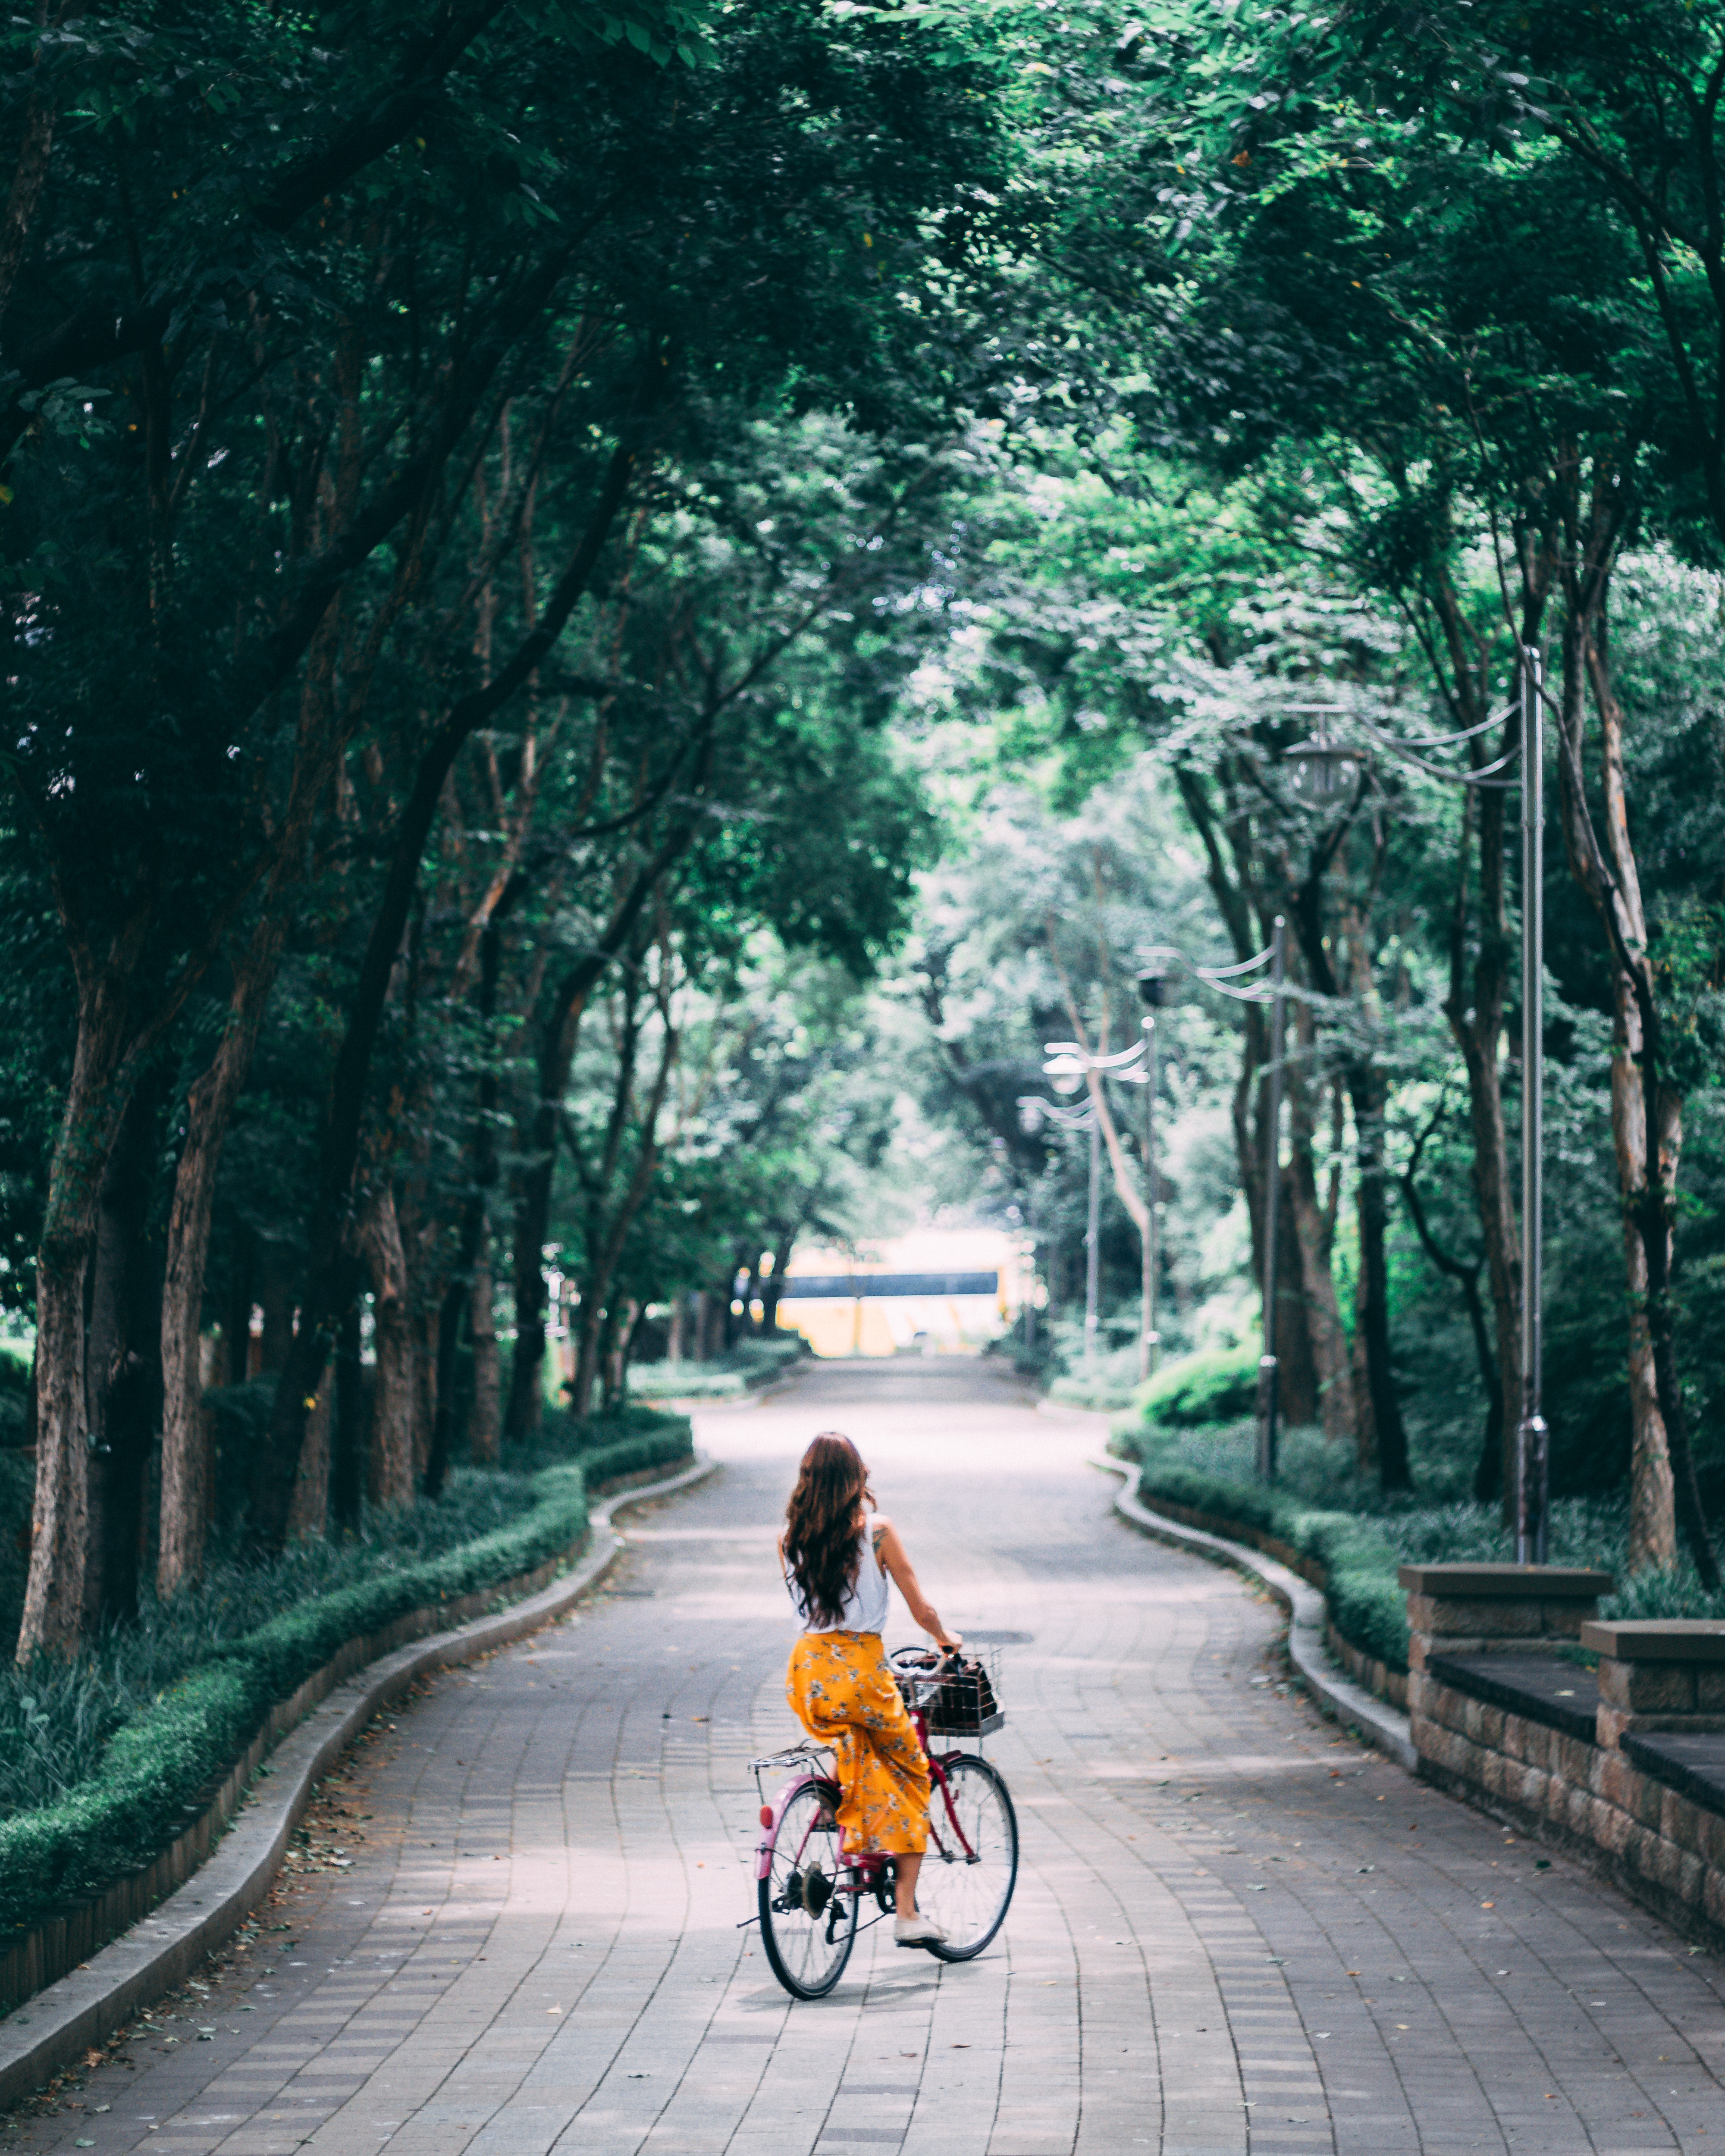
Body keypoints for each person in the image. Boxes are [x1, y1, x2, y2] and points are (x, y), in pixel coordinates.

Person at [779, 1431, 962, 1949]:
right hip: (859, 1668)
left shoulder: (788, 1538)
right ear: (857, 1477)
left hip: (808, 1670)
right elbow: (919, 1607)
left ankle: (831, 1812)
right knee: (913, 1772)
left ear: (807, 1478)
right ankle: (907, 1912)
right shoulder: (876, 1532)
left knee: (853, 1743)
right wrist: (944, 1638)